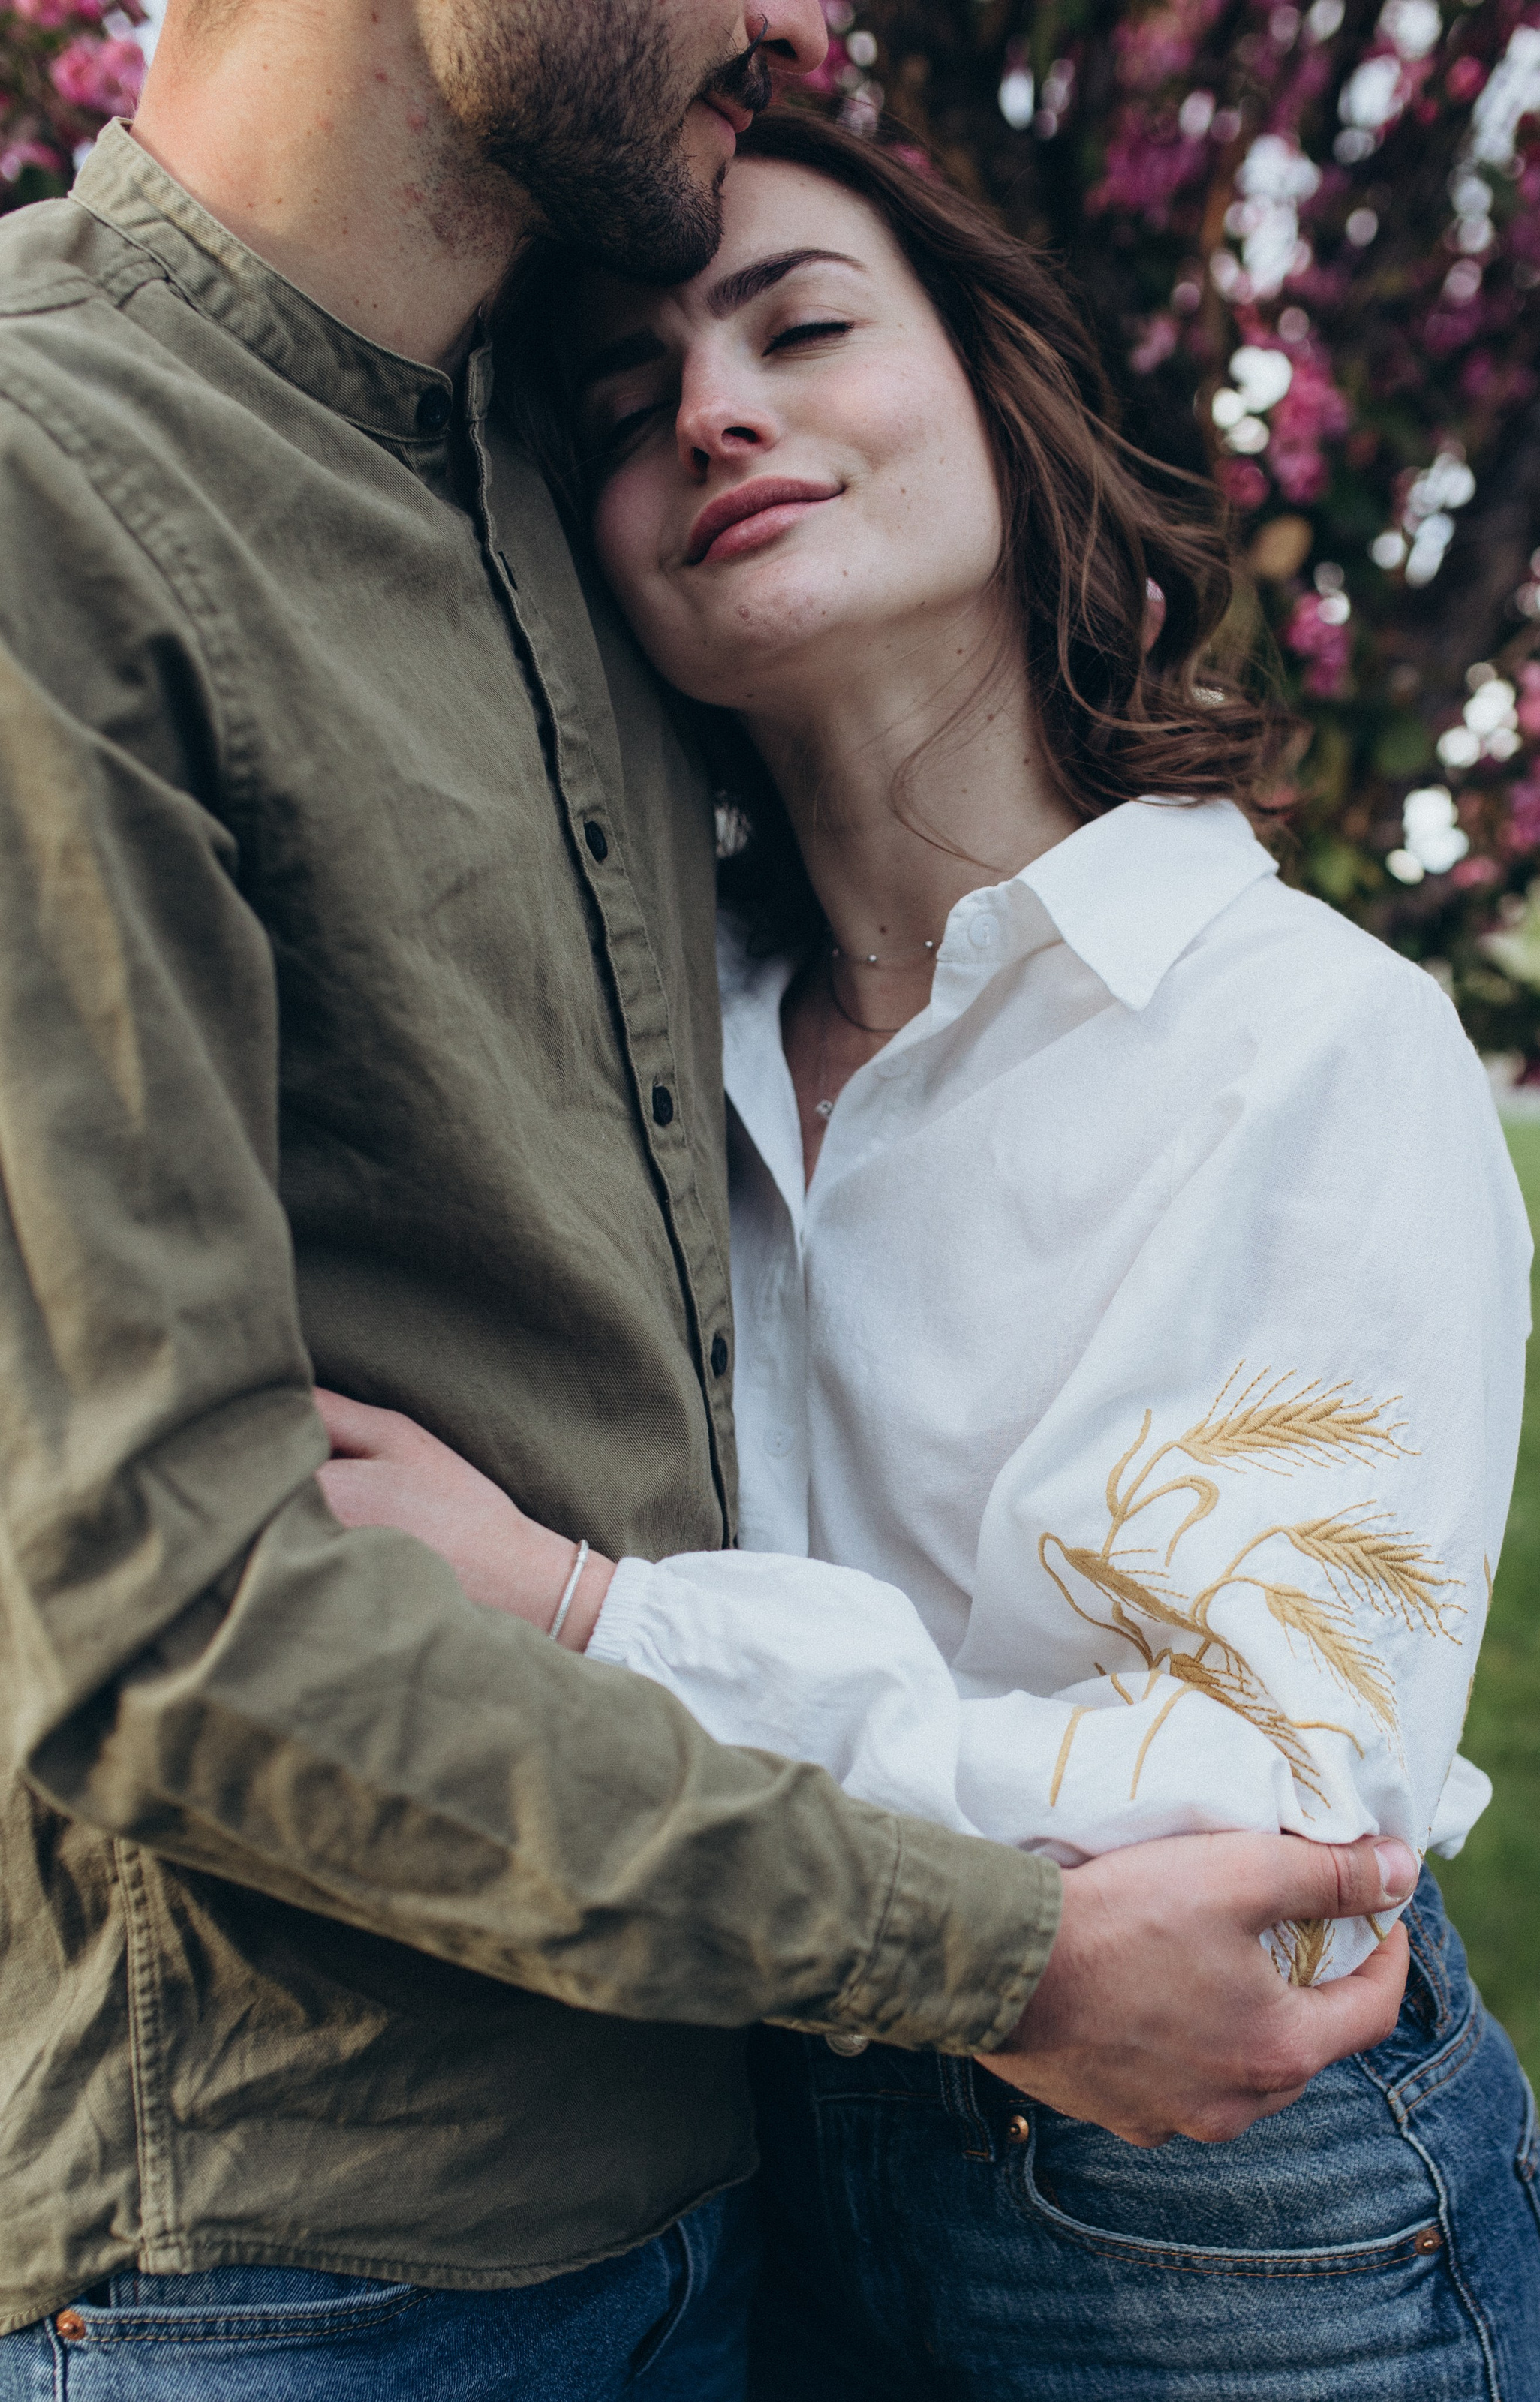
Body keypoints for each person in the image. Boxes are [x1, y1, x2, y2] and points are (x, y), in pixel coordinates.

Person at [0, 2, 1416, 2394]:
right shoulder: (57, 478)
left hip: (749, 2178)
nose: (789, 22)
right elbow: (151, 1621)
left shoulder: (537, 500)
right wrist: (984, 1956)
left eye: (797, 338)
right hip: (311, 2254)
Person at [316, 110, 1540, 2400]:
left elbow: (1274, 1822)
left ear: (1003, 410)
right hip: (728, 2163)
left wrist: (593, 1626)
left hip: (1210, 2209)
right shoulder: (630, 1073)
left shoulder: (1308, 1043)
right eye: (621, 410)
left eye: (802, 328)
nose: (711, 411)